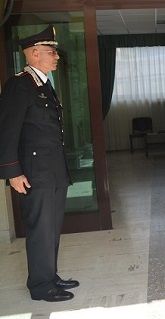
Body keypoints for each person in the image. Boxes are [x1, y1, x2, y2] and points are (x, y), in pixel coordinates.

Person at [0, 25, 79, 302]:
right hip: (34, 173)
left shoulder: (43, 84)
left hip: (53, 170)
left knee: (51, 228)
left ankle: (49, 275)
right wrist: (13, 172)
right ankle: (41, 286)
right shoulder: (19, 85)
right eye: (51, 51)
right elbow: (7, 130)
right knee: (39, 230)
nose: (56, 56)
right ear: (34, 54)